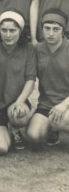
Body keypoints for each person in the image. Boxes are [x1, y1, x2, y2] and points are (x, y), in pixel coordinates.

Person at [0, 10, 37, 154]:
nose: (8, 34)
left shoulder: (28, 49)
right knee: (1, 148)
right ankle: (2, 130)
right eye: (4, 30)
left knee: (19, 116)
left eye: (12, 30)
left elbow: (30, 79)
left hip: (16, 102)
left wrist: (20, 101)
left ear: (21, 30)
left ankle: (16, 130)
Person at [27, 9, 69, 146]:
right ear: (42, 29)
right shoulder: (37, 49)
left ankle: (57, 124)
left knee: (61, 120)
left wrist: (63, 105)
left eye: (56, 29)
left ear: (63, 30)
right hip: (47, 104)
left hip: (66, 103)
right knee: (33, 136)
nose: (51, 33)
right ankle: (53, 128)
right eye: (47, 28)